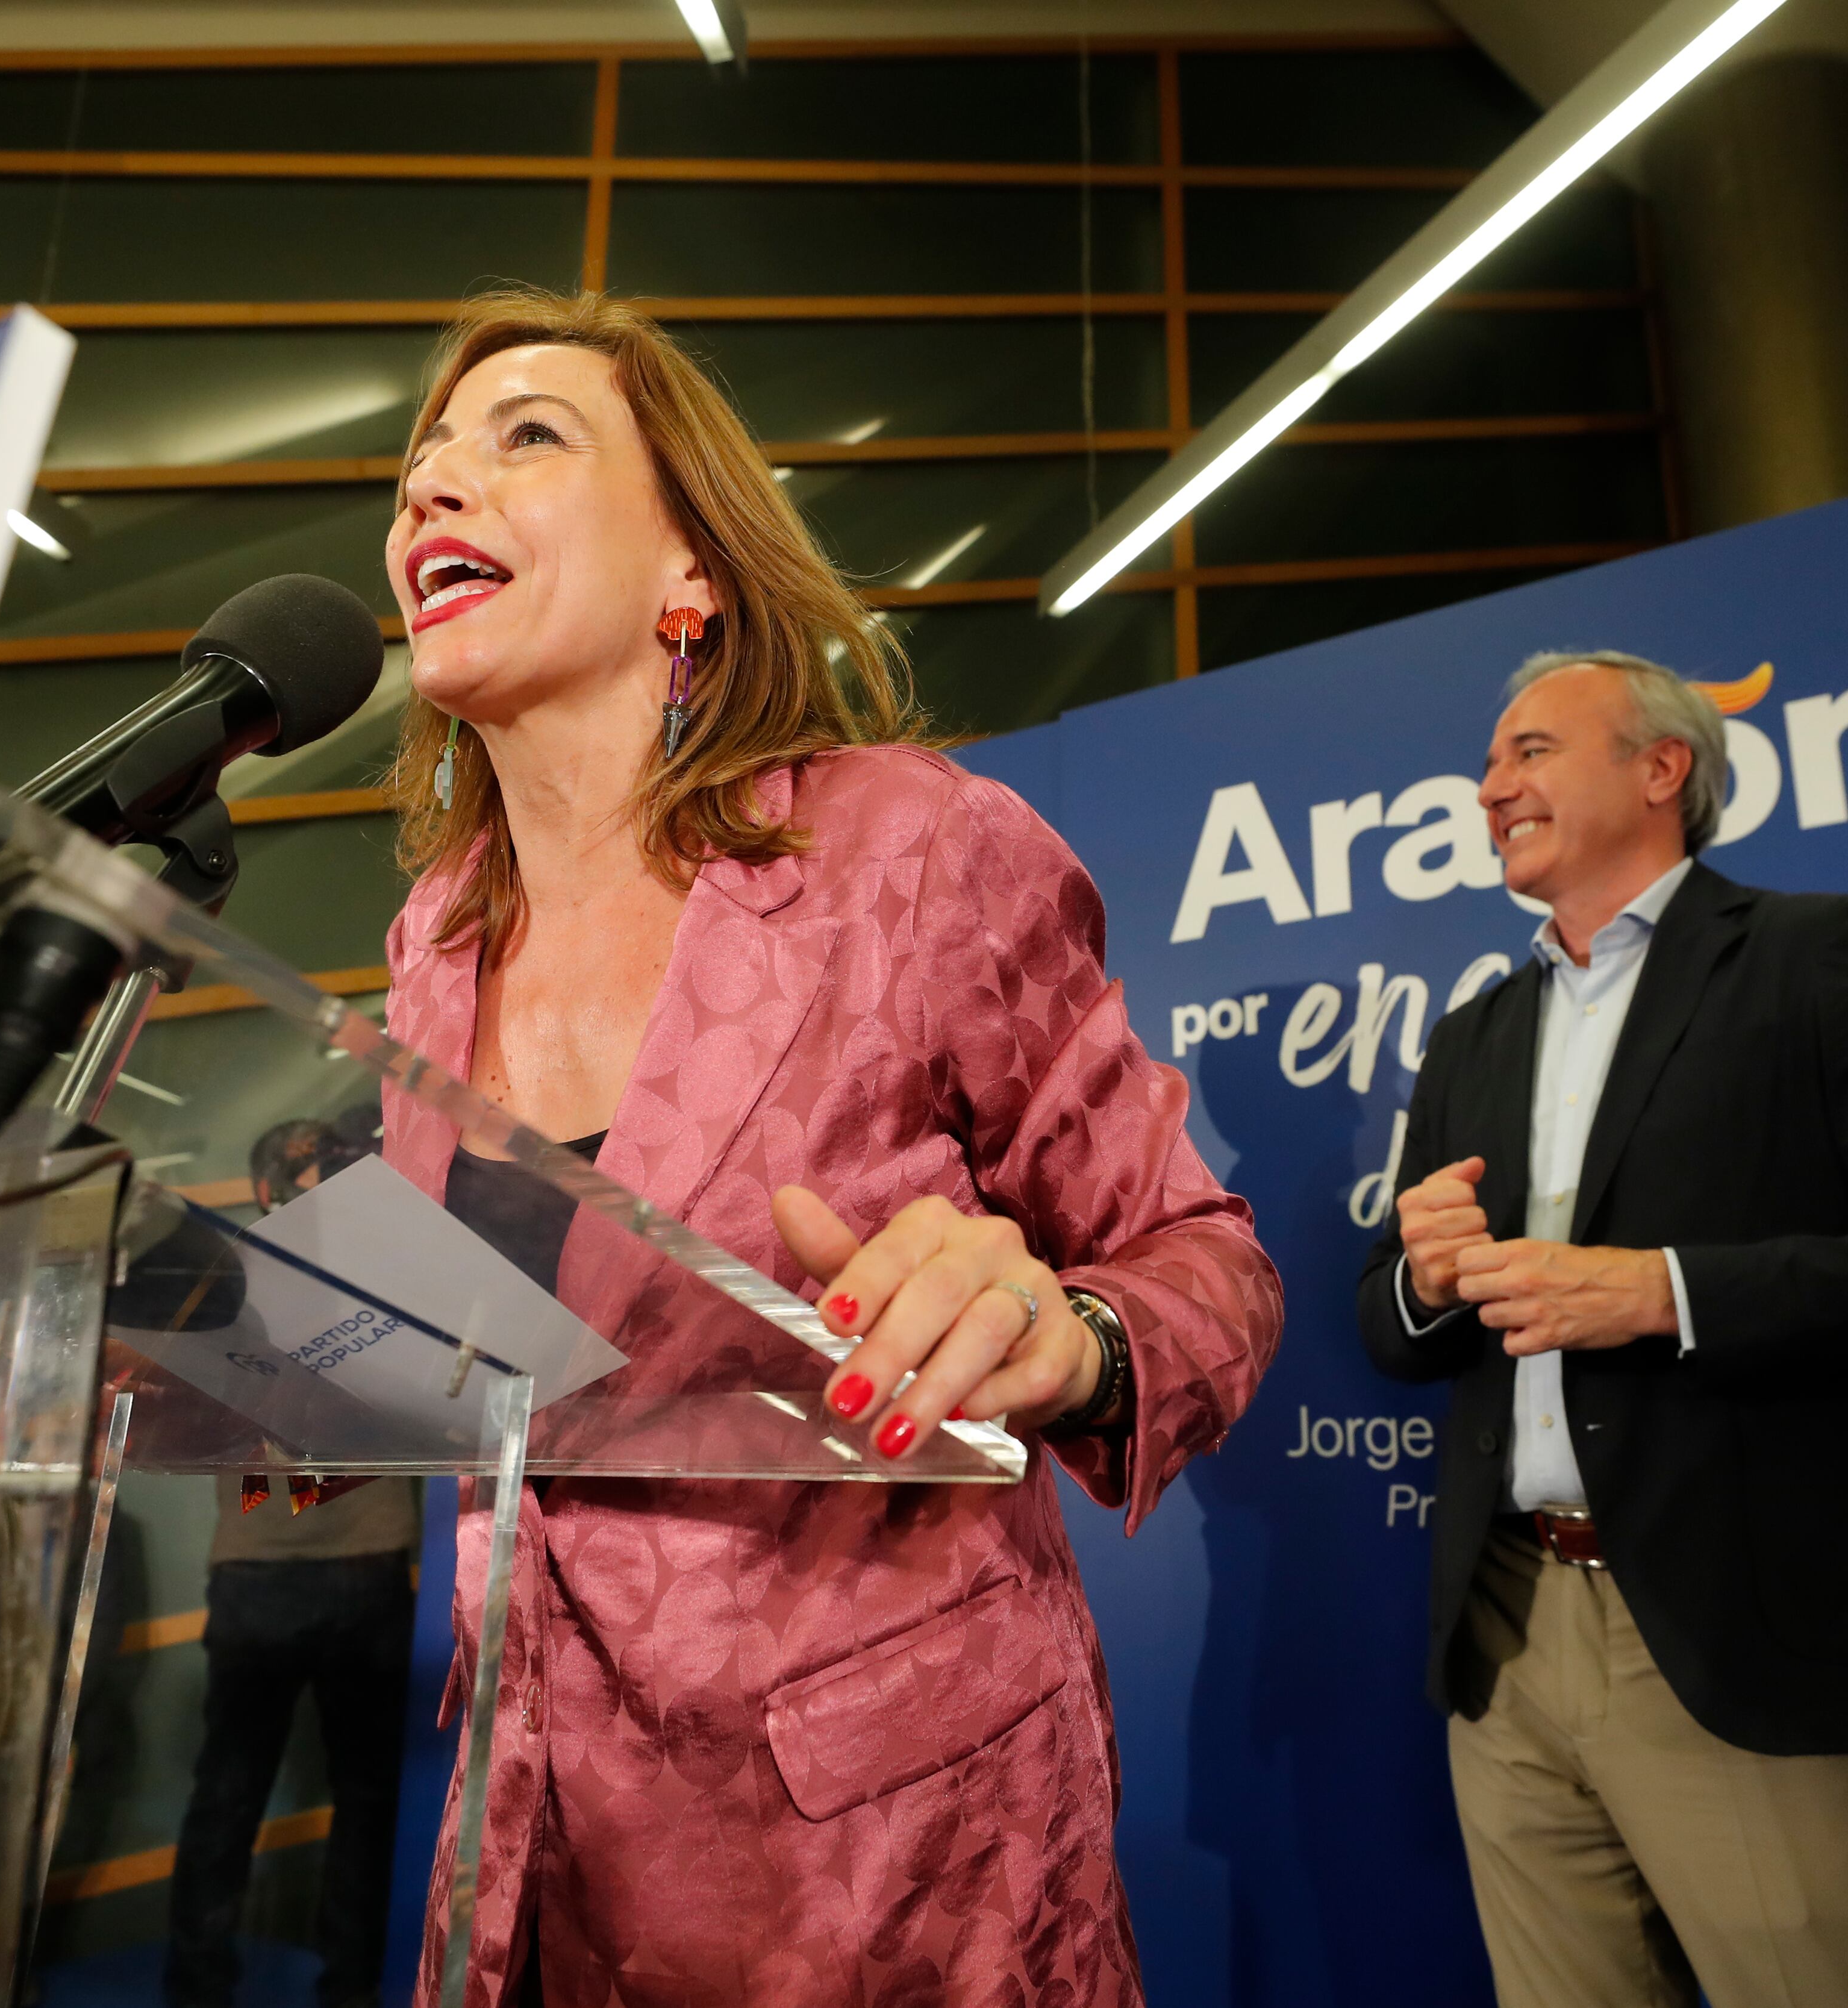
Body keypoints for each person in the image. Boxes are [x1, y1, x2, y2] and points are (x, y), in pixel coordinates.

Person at [373, 285, 1282, 2007]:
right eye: (419, 466)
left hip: (894, 1863)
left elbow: (1204, 1261)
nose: (432, 489)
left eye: (524, 438)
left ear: (688, 576)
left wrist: (1065, 1336)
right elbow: (523, 1362)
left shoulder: (908, 845)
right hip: (534, 1838)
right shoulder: (435, 936)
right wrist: (326, 1379)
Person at [1355, 652, 1848, 2008]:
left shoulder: (1819, 955)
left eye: (1530, 751)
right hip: (1510, 1637)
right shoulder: (1476, 1032)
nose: (1490, 786)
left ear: (1660, 768)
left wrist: (1665, 1291)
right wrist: (1426, 1282)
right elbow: (1390, 1323)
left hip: (1756, 1622)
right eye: (1491, 761)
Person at [164, 1108, 416, 2008]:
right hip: (288, 1570)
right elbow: (252, 1468)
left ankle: (337, 1987)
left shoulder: (383, 1287)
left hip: (346, 1568)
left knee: (350, 1797)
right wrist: (353, 1463)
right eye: (313, 1178)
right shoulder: (233, 1295)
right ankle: (202, 1986)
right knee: (235, 1795)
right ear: (277, 1193)